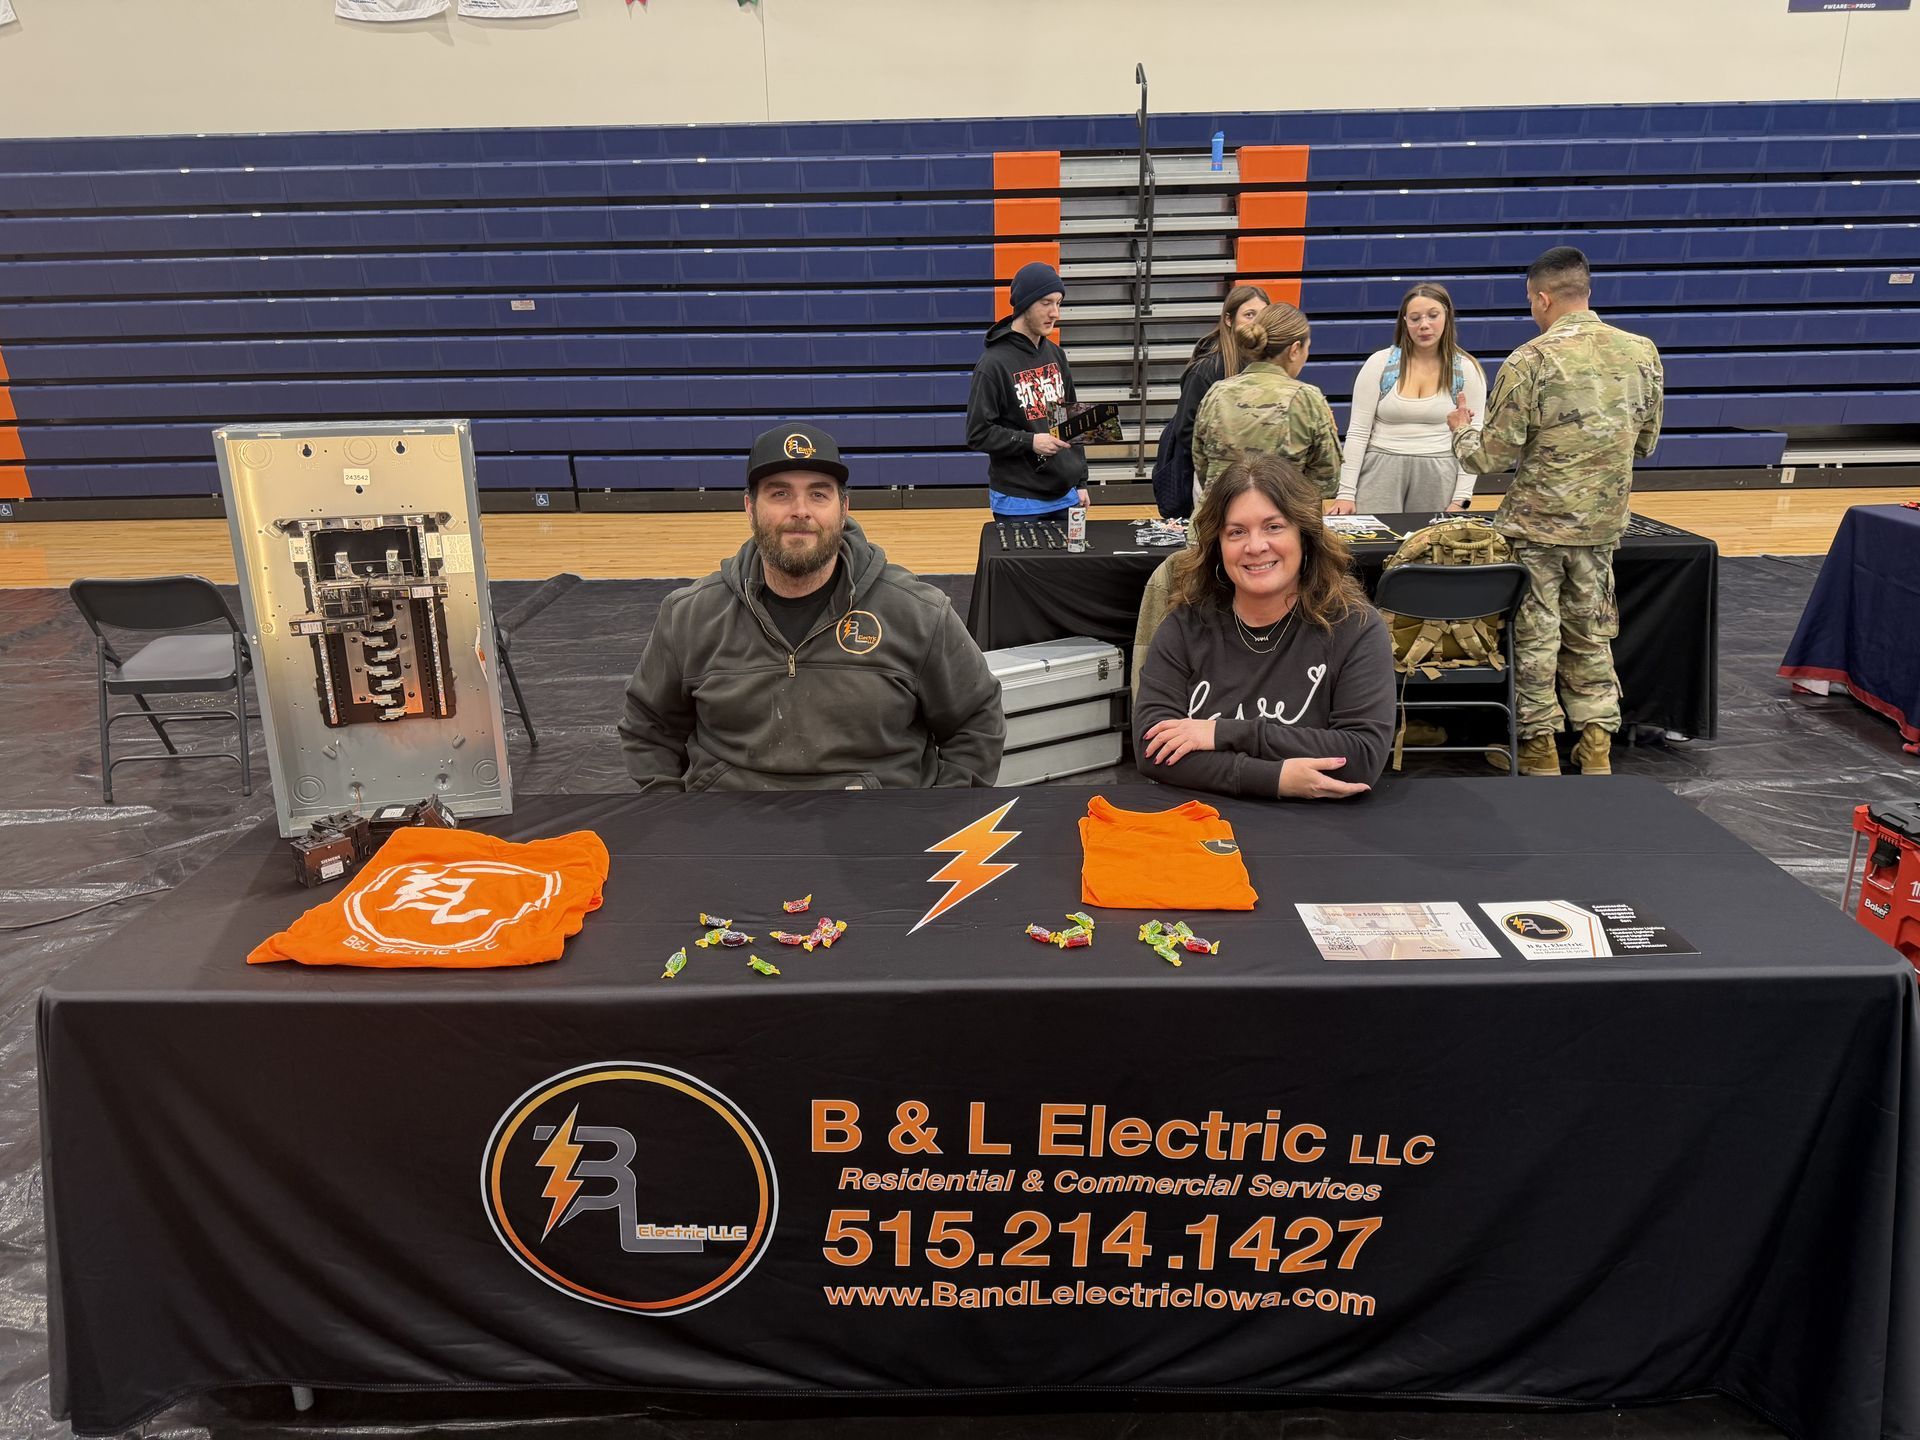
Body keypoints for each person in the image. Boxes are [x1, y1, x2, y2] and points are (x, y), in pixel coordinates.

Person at [619, 423, 1006, 790]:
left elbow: (976, 720)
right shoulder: (689, 616)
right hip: (732, 830)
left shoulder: (918, 613)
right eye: (780, 493)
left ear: (843, 508)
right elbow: (648, 727)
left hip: (881, 833)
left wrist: (944, 815)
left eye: (819, 494)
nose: (800, 510)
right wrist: (668, 813)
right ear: (750, 508)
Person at [1449, 246, 1665, 777]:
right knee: (1591, 633)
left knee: (1536, 636)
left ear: (1543, 298)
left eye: (1531, 302)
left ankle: (1539, 750)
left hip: (1538, 527)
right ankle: (1596, 747)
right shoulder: (1642, 353)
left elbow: (1490, 456)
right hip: (1601, 526)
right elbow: (1646, 445)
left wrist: (1460, 432)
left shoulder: (1532, 360)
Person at [1133, 451, 1395, 799]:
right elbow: (1153, 749)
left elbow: (1360, 757)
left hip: (1317, 836)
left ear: (1304, 535)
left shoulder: (1355, 627)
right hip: (1200, 828)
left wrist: (1220, 733)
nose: (1255, 546)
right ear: (1218, 545)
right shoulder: (1185, 625)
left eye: (1273, 527)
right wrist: (1275, 778)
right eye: (1236, 532)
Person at [1330, 283, 1487, 517]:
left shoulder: (1466, 370)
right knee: (1374, 549)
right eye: (1415, 318)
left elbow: (1474, 438)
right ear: (1405, 322)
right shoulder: (1379, 363)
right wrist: (1345, 493)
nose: (1424, 325)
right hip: (1379, 471)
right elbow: (1358, 431)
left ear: (1447, 316)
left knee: (1429, 549)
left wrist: (1461, 499)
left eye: (1433, 316)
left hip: (1439, 471)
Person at [966, 260, 1090, 521]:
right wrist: (1030, 441)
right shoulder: (993, 364)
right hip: (1018, 502)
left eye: (1058, 303)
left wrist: (1081, 482)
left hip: (1066, 495)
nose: (1055, 313)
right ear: (1024, 305)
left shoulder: (1056, 355)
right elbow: (978, 433)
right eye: (1046, 303)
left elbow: (1073, 420)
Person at [1191, 302, 1341, 507]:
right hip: (1279, 524)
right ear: (1295, 349)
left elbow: (1201, 466)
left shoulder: (1216, 393)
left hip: (1217, 522)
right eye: (1308, 348)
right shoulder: (1307, 399)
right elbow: (1327, 481)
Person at [1154, 286, 1270, 516]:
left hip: (1254, 478)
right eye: (1249, 315)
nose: (1257, 322)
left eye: (1263, 315)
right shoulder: (1206, 369)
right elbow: (1187, 429)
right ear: (1229, 319)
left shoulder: (1266, 366)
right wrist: (1225, 457)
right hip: (1212, 479)